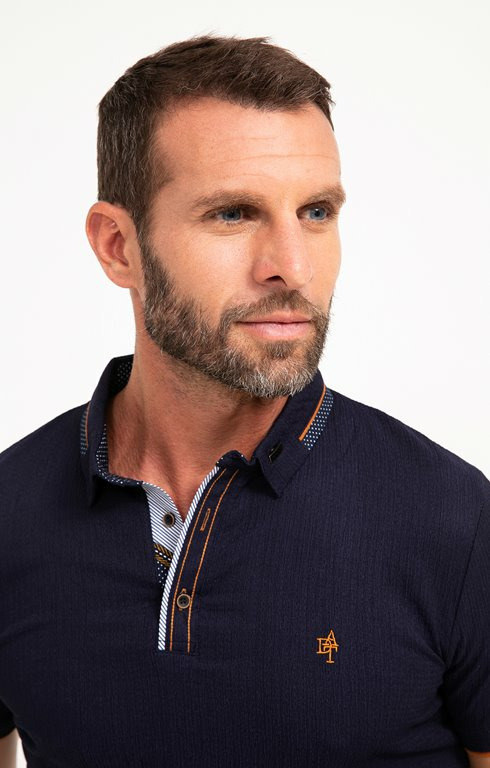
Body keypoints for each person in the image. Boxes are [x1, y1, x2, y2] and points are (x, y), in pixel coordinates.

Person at [0, 34, 488, 768]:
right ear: (118, 247)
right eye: (233, 213)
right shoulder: (9, 512)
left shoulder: (455, 521)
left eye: (316, 211)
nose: (292, 266)